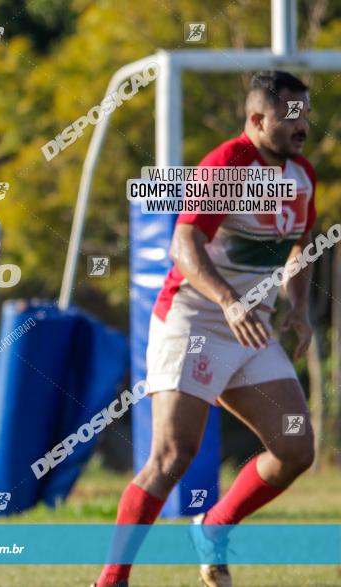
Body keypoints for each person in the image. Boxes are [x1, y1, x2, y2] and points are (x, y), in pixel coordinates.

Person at [93, 70, 317, 587]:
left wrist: (299, 308)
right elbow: (183, 245)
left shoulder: (302, 174)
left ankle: (213, 527)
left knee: (296, 449)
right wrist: (229, 301)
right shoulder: (226, 165)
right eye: (291, 115)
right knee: (172, 455)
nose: (303, 123)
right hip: (195, 318)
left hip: (252, 329)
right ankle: (110, 580)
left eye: (306, 113)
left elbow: (301, 247)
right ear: (257, 119)